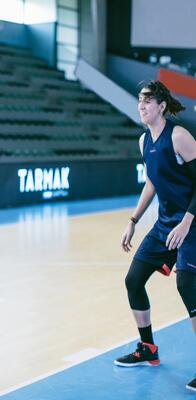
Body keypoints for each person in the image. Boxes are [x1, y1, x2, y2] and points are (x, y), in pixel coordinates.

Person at [115, 80, 196, 392]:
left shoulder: (179, 137)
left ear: (162, 105)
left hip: (191, 222)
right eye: (139, 101)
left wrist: (187, 223)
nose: (141, 106)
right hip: (165, 225)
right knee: (133, 280)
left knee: (187, 284)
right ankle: (147, 348)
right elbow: (152, 181)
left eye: (147, 101)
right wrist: (133, 220)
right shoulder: (143, 141)